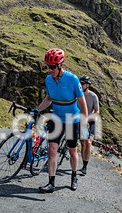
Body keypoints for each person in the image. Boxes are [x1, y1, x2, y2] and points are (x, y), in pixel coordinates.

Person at [33, 48, 89, 193]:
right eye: (48, 66)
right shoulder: (48, 80)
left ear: (60, 65)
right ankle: (51, 183)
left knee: (72, 151)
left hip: (72, 120)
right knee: (52, 150)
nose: (50, 70)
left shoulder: (72, 79)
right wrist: (37, 109)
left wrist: (84, 122)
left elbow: (82, 102)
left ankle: (74, 175)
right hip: (56, 118)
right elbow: (48, 98)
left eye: (52, 67)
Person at [79, 75, 99, 176]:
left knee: (88, 143)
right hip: (80, 120)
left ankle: (85, 167)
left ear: (87, 85)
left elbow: (97, 110)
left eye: (82, 83)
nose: (80, 85)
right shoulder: (78, 95)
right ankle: (83, 163)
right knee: (82, 144)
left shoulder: (93, 96)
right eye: (80, 83)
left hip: (90, 121)